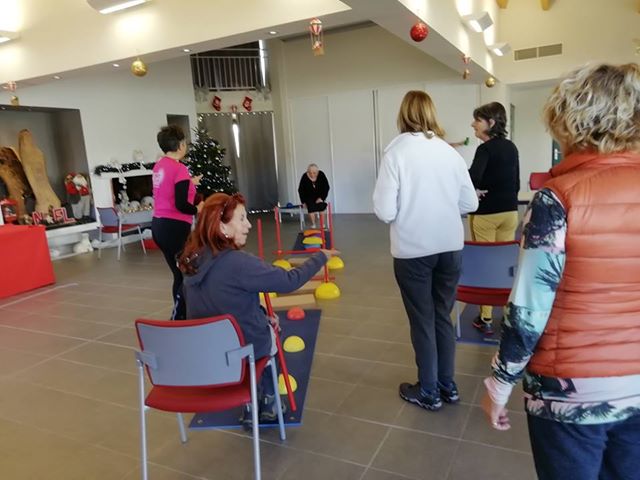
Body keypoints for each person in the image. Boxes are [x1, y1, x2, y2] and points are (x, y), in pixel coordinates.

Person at [480, 63, 640, 480]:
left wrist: (499, 384)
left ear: (569, 120)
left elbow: (529, 309)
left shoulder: (557, 199)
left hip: (570, 392)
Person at [178, 192, 338, 423]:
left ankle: (252, 401)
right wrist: (320, 257)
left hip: (208, 355)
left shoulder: (191, 260)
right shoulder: (239, 263)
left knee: (261, 321)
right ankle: (268, 400)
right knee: (272, 330)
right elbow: (289, 281)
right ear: (222, 228)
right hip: (242, 351)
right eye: (242, 219)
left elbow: (220, 303)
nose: (249, 225)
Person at [373, 90, 478, 411]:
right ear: (432, 114)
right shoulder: (450, 153)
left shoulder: (396, 153)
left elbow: (385, 211)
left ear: (403, 115)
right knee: (442, 318)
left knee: (422, 320)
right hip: (450, 248)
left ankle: (429, 391)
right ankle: (448, 385)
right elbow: (470, 203)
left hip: (413, 251)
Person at [467, 102, 520, 335]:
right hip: (510, 213)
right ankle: (508, 314)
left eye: (477, 120)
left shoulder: (484, 149)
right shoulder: (511, 147)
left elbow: (472, 179)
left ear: (490, 123)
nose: (473, 124)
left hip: (486, 215)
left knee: (485, 266)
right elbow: (515, 183)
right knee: (504, 264)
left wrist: (475, 189)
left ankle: (486, 318)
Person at [151, 125, 202, 320]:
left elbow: (167, 190)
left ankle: (182, 314)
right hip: (175, 228)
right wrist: (199, 208)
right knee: (185, 274)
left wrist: (190, 183)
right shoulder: (179, 168)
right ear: (180, 145)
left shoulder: (159, 166)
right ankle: (181, 317)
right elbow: (182, 205)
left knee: (179, 273)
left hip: (159, 225)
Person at [297, 164, 330, 228]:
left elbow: (326, 187)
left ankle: (322, 224)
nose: (312, 174)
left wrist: (322, 198)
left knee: (321, 206)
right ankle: (313, 224)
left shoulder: (321, 175)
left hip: (319, 196)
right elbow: (300, 190)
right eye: (310, 173)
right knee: (310, 206)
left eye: (314, 173)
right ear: (308, 172)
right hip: (309, 197)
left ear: (317, 172)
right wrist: (303, 202)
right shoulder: (304, 176)